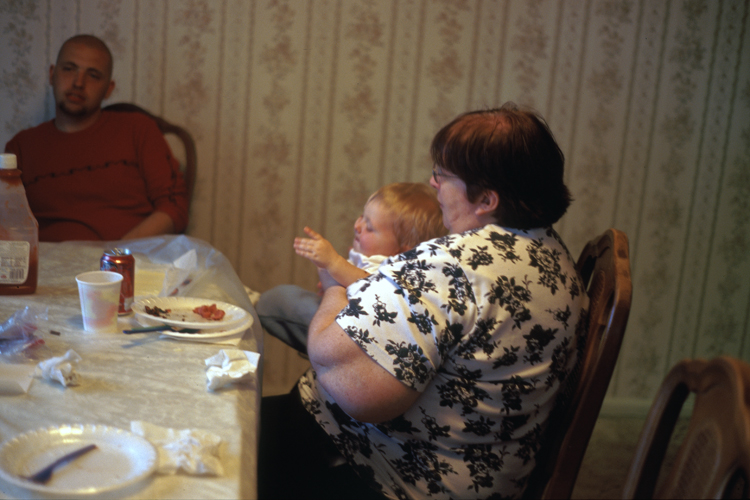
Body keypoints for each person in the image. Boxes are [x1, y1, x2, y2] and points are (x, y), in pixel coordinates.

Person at [258, 103, 590, 500]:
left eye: (442, 175)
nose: (432, 184)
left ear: (485, 199)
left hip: (396, 473)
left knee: (219, 447)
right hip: (478, 471)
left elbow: (352, 387)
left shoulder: (455, 264)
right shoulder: (552, 255)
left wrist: (334, 284)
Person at [4, 34, 189, 242]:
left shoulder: (138, 130)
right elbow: (6, 222)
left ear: (109, 89)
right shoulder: (22, 146)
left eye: (93, 75)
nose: (78, 82)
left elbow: (174, 207)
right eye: (69, 69)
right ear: (51, 74)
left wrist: (114, 254)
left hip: (125, 264)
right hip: (47, 266)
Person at [256, 182, 447, 354]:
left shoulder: (395, 269)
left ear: (403, 250)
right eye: (362, 217)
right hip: (339, 324)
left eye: (370, 227)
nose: (357, 225)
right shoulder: (368, 258)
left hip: (360, 339)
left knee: (283, 298)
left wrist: (333, 263)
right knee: (285, 298)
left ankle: (257, 305)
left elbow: (373, 287)